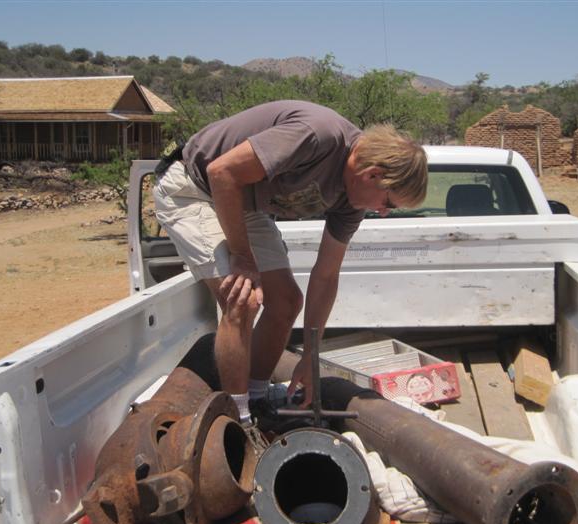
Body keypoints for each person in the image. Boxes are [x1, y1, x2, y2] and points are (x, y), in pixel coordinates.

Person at [153, 100, 427, 420]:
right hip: (193, 185)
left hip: (242, 201)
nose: (382, 212)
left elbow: (326, 275)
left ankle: (256, 403)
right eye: (389, 203)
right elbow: (221, 171)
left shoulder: (351, 203)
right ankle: (237, 418)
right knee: (242, 299)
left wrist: (311, 355)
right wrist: (242, 257)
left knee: (285, 301)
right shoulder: (318, 136)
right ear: (372, 174)